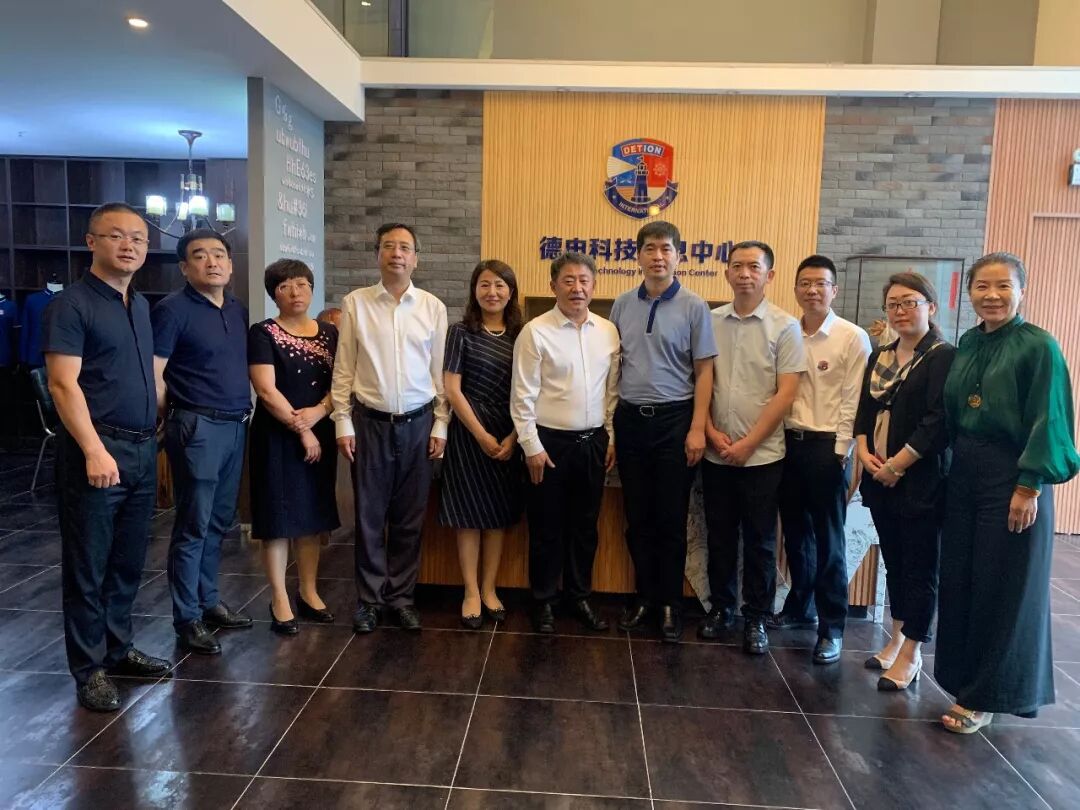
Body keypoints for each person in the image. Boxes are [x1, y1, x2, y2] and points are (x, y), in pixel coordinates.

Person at [936, 252, 1080, 733]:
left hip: (1013, 473)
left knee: (1002, 584)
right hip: (965, 471)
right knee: (963, 577)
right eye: (982, 286)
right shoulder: (969, 342)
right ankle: (964, 681)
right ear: (969, 292)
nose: (992, 296)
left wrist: (1029, 484)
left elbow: (1049, 418)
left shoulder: (1039, 346)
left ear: (1022, 291)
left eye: (1003, 286)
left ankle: (987, 696)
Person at [43, 202, 172, 711]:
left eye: (138, 238)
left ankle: (118, 649)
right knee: (88, 567)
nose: (129, 245)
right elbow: (62, 384)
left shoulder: (137, 305)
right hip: (96, 452)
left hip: (140, 448)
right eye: (116, 235)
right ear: (91, 241)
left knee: (127, 562)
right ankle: (89, 669)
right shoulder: (71, 305)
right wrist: (94, 449)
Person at [331, 223, 449, 633]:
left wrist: (441, 424)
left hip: (419, 424)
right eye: (388, 246)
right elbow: (344, 368)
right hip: (370, 424)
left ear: (416, 258)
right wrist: (342, 420)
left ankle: (401, 598)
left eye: (404, 248)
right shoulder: (356, 303)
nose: (396, 253)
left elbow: (439, 374)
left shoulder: (433, 307)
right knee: (368, 516)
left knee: (409, 517)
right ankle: (368, 600)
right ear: (378, 254)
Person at [609, 220, 716, 642]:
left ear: (678, 256)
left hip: (675, 421)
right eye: (650, 248)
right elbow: (613, 367)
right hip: (631, 421)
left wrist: (697, 428)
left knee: (671, 518)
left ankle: (671, 603)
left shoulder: (694, 306)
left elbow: (704, 372)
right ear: (637, 255)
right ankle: (645, 597)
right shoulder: (621, 304)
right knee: (637, 517)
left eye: (666, 249)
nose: (658, 256)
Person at [699, 241, 805, 655]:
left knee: (760, 540)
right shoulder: (709, 321)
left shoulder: (785, 326)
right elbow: (701, 382)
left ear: (769, 275)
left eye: (754, 267)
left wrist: (748, 443)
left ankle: (757, 616)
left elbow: (787, 393)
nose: (745, 274)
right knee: (719, 535)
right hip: (717, 451)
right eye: (737, 266)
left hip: (762, 456)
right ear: (726, 272)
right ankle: (722, 609)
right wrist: (710, 431)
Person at [153, 229, 253, 656]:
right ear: (184, 267)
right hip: (197, 426)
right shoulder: (172, 309)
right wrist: (172, 416)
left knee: (219, 521)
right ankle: (187, 618)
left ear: (230, 264)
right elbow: (155, 373)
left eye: (219, 254)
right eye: (200, 255)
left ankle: (209, 601)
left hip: (235, 424)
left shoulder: (236, 307)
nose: (212, 262)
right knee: (193, 524)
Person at [854, 272, 954, 691]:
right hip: (879, 476)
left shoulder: (942, 356)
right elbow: (863, 410)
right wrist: (863, 452)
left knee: (920, 566)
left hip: (920, 481)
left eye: (910, 302)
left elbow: (937, 422)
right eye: (893, 304)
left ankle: (913, 651)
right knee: (894, 561)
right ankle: (896, 637)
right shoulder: (881, 355)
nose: (900, 311)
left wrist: (897, 465)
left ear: (931, 306)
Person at [512, 252, 620, 634]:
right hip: (549, 444)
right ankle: (543, 600)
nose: (577, 288)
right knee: (547, 527)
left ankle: (580, 597)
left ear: (594, 286)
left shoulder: (608, 331)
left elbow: (611, 392)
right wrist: (531, 446)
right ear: (553, 286)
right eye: (568, 280)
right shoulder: (535, 331)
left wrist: (610, 437)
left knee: (585, 527)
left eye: (584, 280)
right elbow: (522, 396)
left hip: (593, 442)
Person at [772, 255, 871, 664]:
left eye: (821, 283)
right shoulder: (786, 331)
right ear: (796, 288)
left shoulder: (851, 337)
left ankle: (832, 628)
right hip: (786, 444)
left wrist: (842, 451)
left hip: (828, 447)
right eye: (805, 283)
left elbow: (853, 399)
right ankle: (801, 606)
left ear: (834, 290)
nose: (812, 290)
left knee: (830, 540)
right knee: (796, 534)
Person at [248, 260, 339, 635]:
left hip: (322, 430)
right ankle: (279, 598)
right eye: (284, 286)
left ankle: (308, 591)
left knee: (311, 516)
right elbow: (266, 389)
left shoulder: (330, 333)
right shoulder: (263, 332)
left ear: (312, 289)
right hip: (277, 435)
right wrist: (303, 429)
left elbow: (342, 382)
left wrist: (320, 412)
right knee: (278, 518)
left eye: (301, 284)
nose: (294, 292)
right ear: (274, 294)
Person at [440, 260, 524, 628]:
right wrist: (480, 434)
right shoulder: (460, 332)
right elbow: (452, 389)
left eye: (500, 285)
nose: (492, 292)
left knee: (497, 517)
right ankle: (471, 591)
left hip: (509, 432)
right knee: (469, 517)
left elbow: (529, 390)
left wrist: (513, 436)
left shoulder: (522, 334)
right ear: (474, 290)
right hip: (468, 432)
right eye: (485, 285)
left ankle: (490, 588)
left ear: (511, 292)